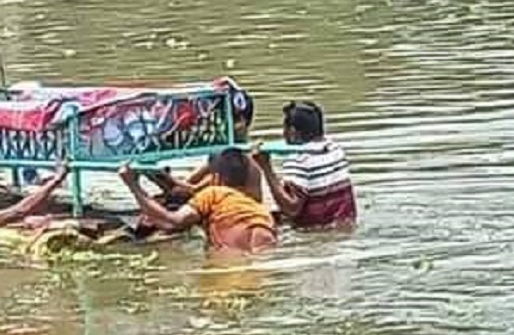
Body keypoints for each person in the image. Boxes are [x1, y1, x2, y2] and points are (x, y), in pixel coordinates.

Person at [118, 147, 277, 253]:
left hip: (229, 261)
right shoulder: (262, 212)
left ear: (215, 178)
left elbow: (171, 221)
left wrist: (133, 186)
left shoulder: (213, 193)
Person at [145, 88, 264, 204]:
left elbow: (191, 191)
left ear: (241, 122)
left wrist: (161, 178)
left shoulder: (239, 158)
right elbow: (189, 183)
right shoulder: (222, 152)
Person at [255, 101, 357, 230]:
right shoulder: (335, 149)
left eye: (284, 129)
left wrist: (266, 168)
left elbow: (291, 209)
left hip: (316, 232)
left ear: (292, 132)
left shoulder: (299, 159)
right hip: (345, 223)